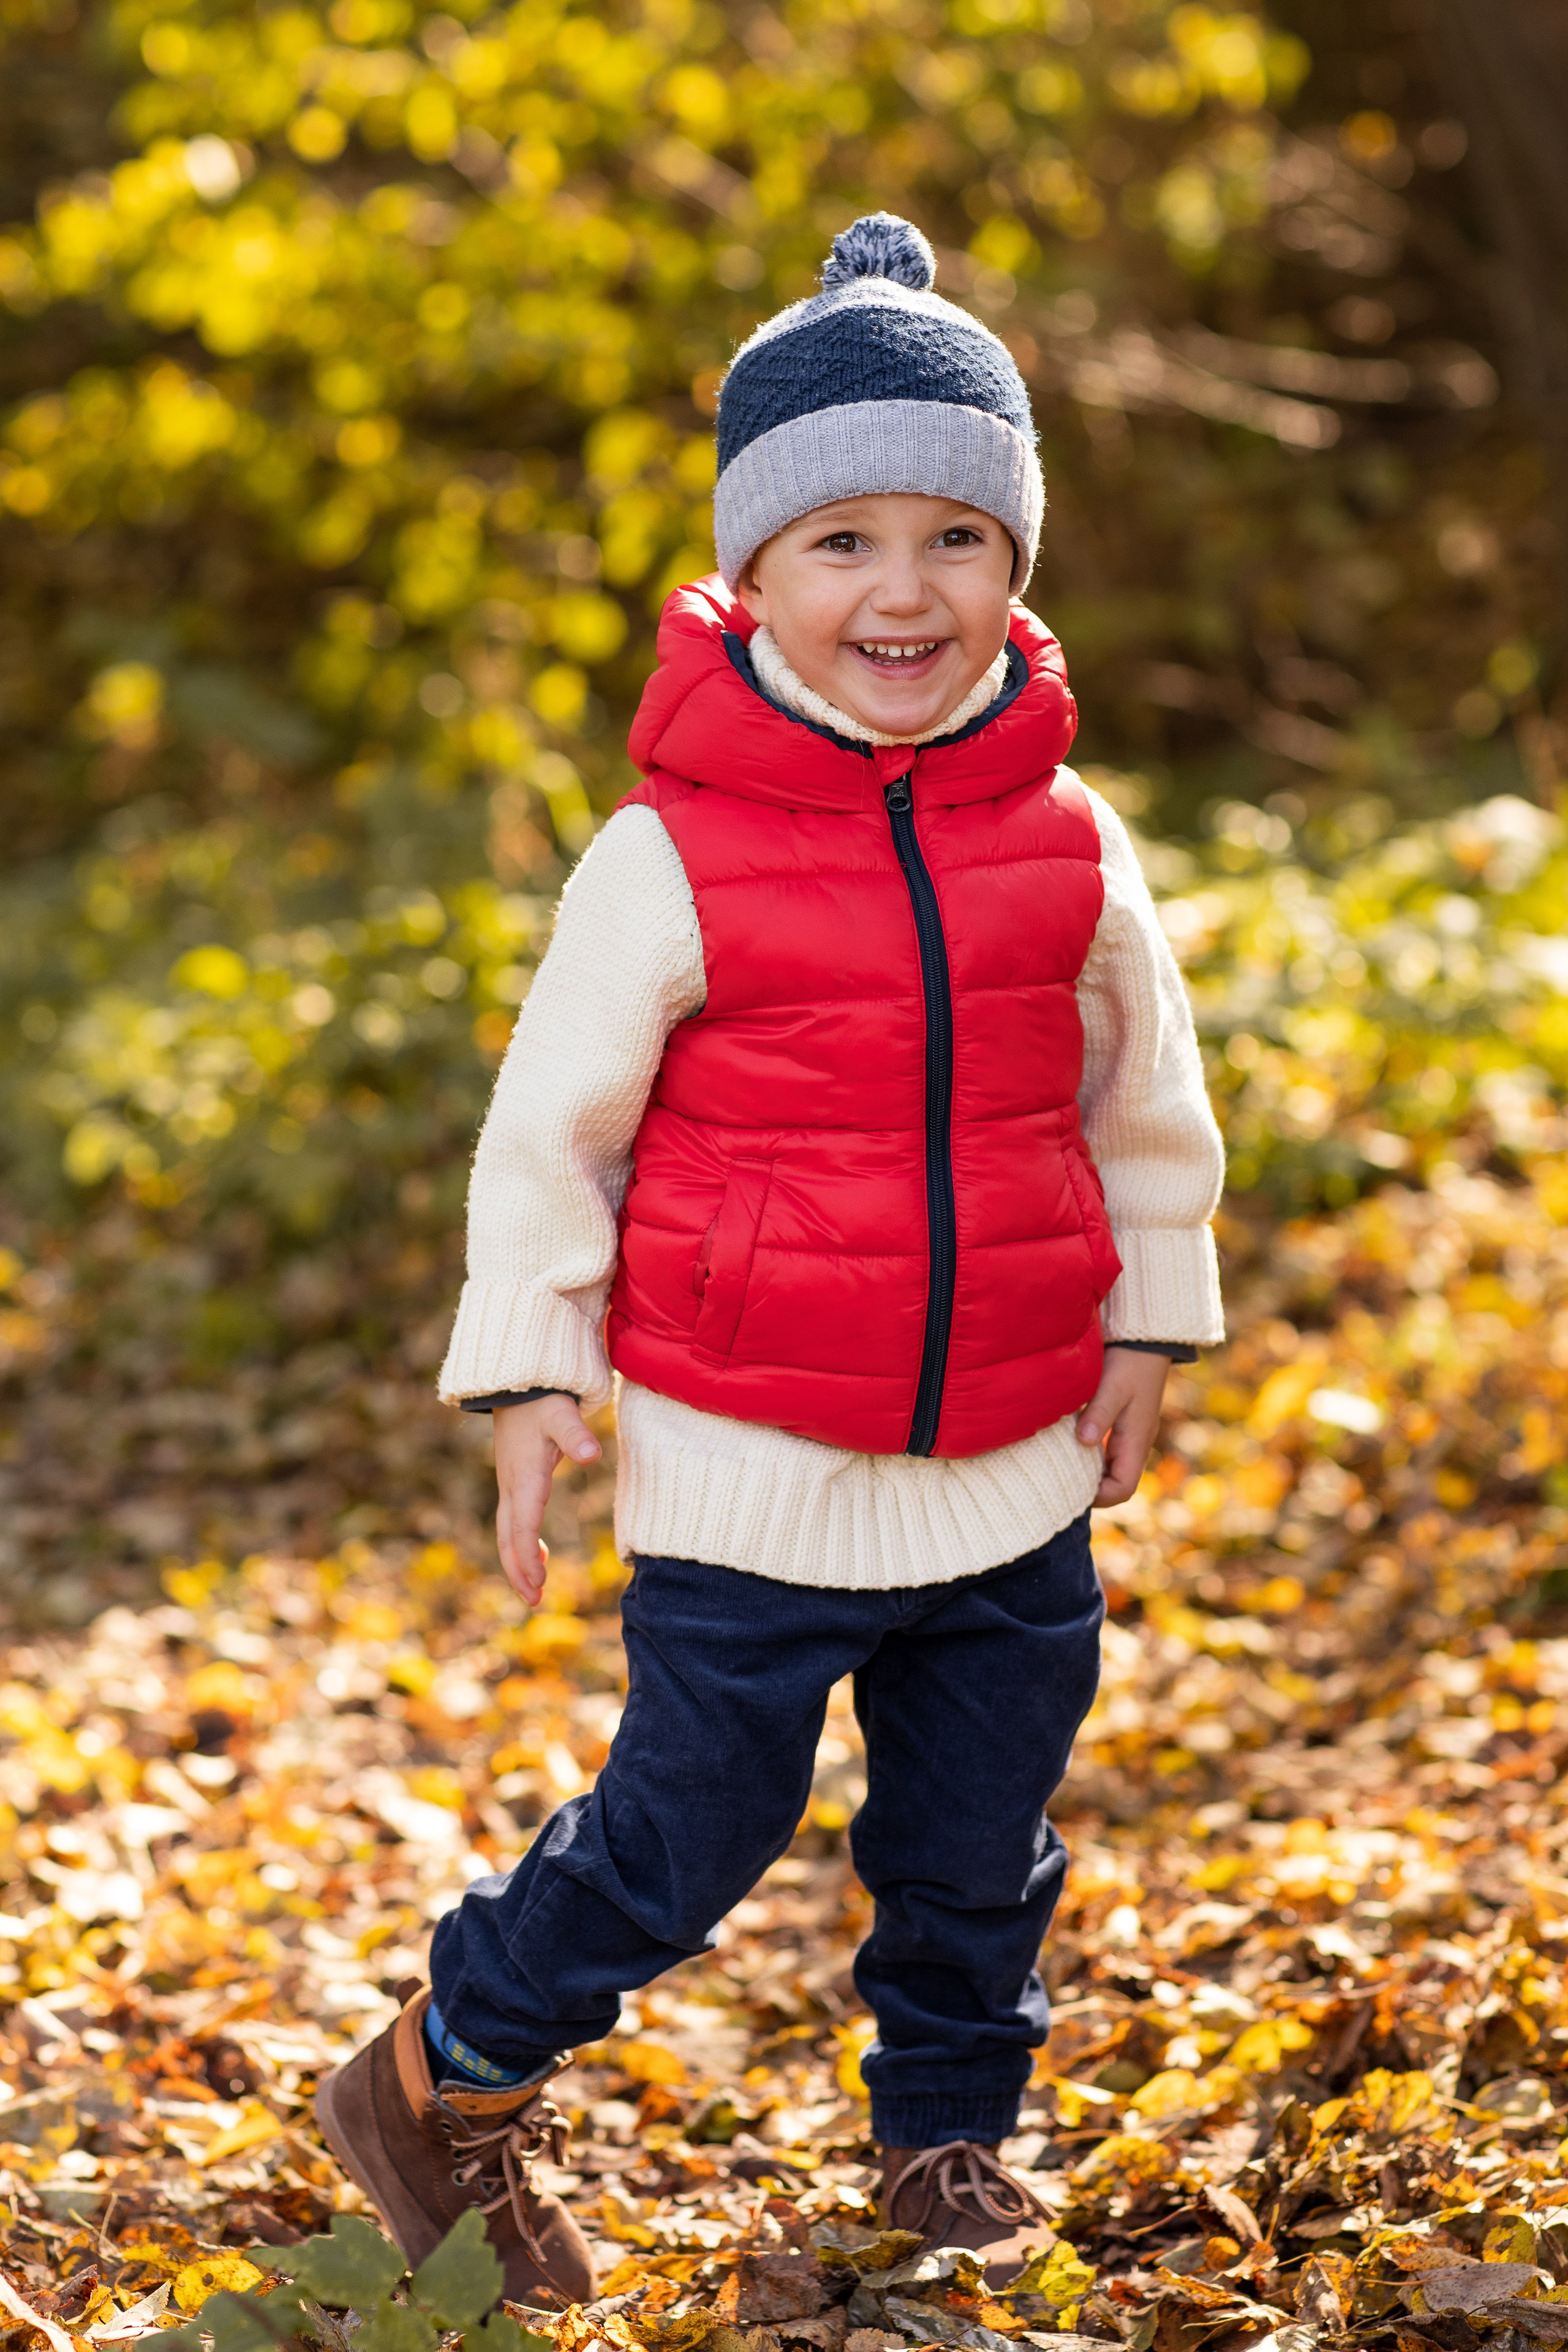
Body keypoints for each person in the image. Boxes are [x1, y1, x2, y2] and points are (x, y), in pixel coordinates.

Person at [315, 212, 1224, 2305]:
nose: (902, 589)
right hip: (753, 1454)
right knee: (688, 1832)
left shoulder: (1069, 837)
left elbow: (1145, 1100)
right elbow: (552, 1133)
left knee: (977, 1834)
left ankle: (945, 2141)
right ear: (752, 576)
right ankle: (446, 2076)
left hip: (1009, 1446)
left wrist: (1154, 1316)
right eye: (842, 543)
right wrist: (533, 1373)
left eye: (954, 539)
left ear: (1016, 568)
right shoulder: (668, 851)